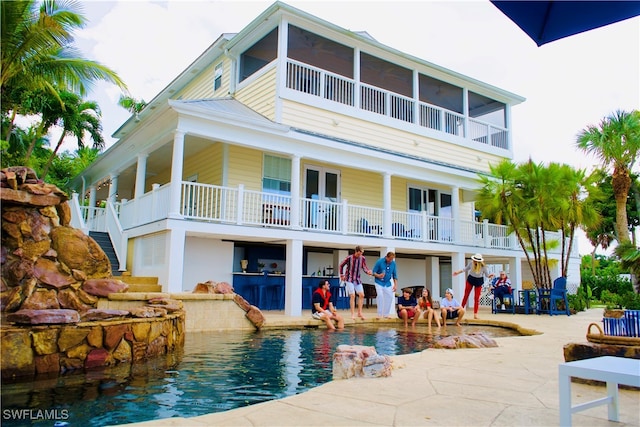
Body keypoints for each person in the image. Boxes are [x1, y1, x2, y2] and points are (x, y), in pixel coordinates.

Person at [453, 253, 494, 319]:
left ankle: (475, 314)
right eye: (474, 260)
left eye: (475, 260)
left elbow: (486, 275)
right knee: (466, 295)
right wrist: (457, 272)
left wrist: (490, 275)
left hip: (478, 281)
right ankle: (461, 309)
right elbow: (465, 269)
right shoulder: (471, 264)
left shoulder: (483, 267)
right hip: (471, 279)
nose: (474, 261)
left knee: (476, 298)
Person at [339, 245, 373, 320]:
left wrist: (368, 271)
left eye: (361, 253)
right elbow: (341, 265)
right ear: (356, 251)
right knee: (352, 295)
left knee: (361, 295)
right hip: (349, 278)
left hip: (357, 279)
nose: (360, 255)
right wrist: (342, 275)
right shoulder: (349, 258)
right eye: (359, 253)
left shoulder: (362, 258)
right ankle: (352, 314)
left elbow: (364, 267)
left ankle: (359, 313)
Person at [372, 251, 398, 319]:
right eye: (390, 259)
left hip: (387, 283)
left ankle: (386, 314)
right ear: (386, 257)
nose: (390, 261)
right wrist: (378, 275)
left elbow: (395, 275)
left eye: (392, 259)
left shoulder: (393, 264)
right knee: (380, 295)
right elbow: (373, 272)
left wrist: (395, 285)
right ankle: (379, 314)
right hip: (379, 282)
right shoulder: (379, 262)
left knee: (390, 297)